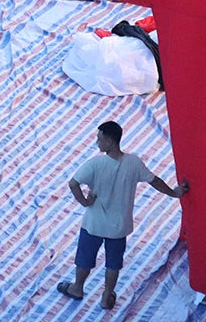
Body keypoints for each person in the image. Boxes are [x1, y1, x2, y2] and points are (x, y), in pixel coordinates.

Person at [57, 120, 189, 310]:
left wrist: (85, 202)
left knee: (85, 258)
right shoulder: (133, 162)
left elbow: (73, 183)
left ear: (110, 141)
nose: (97, 142)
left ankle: (77, 288)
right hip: (119, 226)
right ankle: (106, 296)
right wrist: (174, 193)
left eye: (99, 138)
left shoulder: (95, 164)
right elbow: (154, 181)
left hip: (94, 224)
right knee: (113, 263)